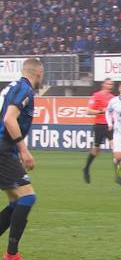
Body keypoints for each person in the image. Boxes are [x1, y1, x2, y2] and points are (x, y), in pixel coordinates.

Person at [0, 58, 43, 260]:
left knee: (16, 201)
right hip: (4, 148)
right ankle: (12, 255)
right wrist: (23, 150)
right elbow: (9, 118)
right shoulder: (24, 89)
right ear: (38, 74)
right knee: (28, 197)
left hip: (4, 148)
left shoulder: (13, 87)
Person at [82, 78, 114, 184]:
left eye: (111, 84)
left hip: (110, 126)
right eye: (108, 84)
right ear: (103, 84)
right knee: (96, 150)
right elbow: (88, 111)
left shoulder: (113, 98)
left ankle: (118, 174)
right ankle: (86, 168)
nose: (110, 86)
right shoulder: (96, 96)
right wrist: (100, 111)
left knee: (116, 147)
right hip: (99, 126)